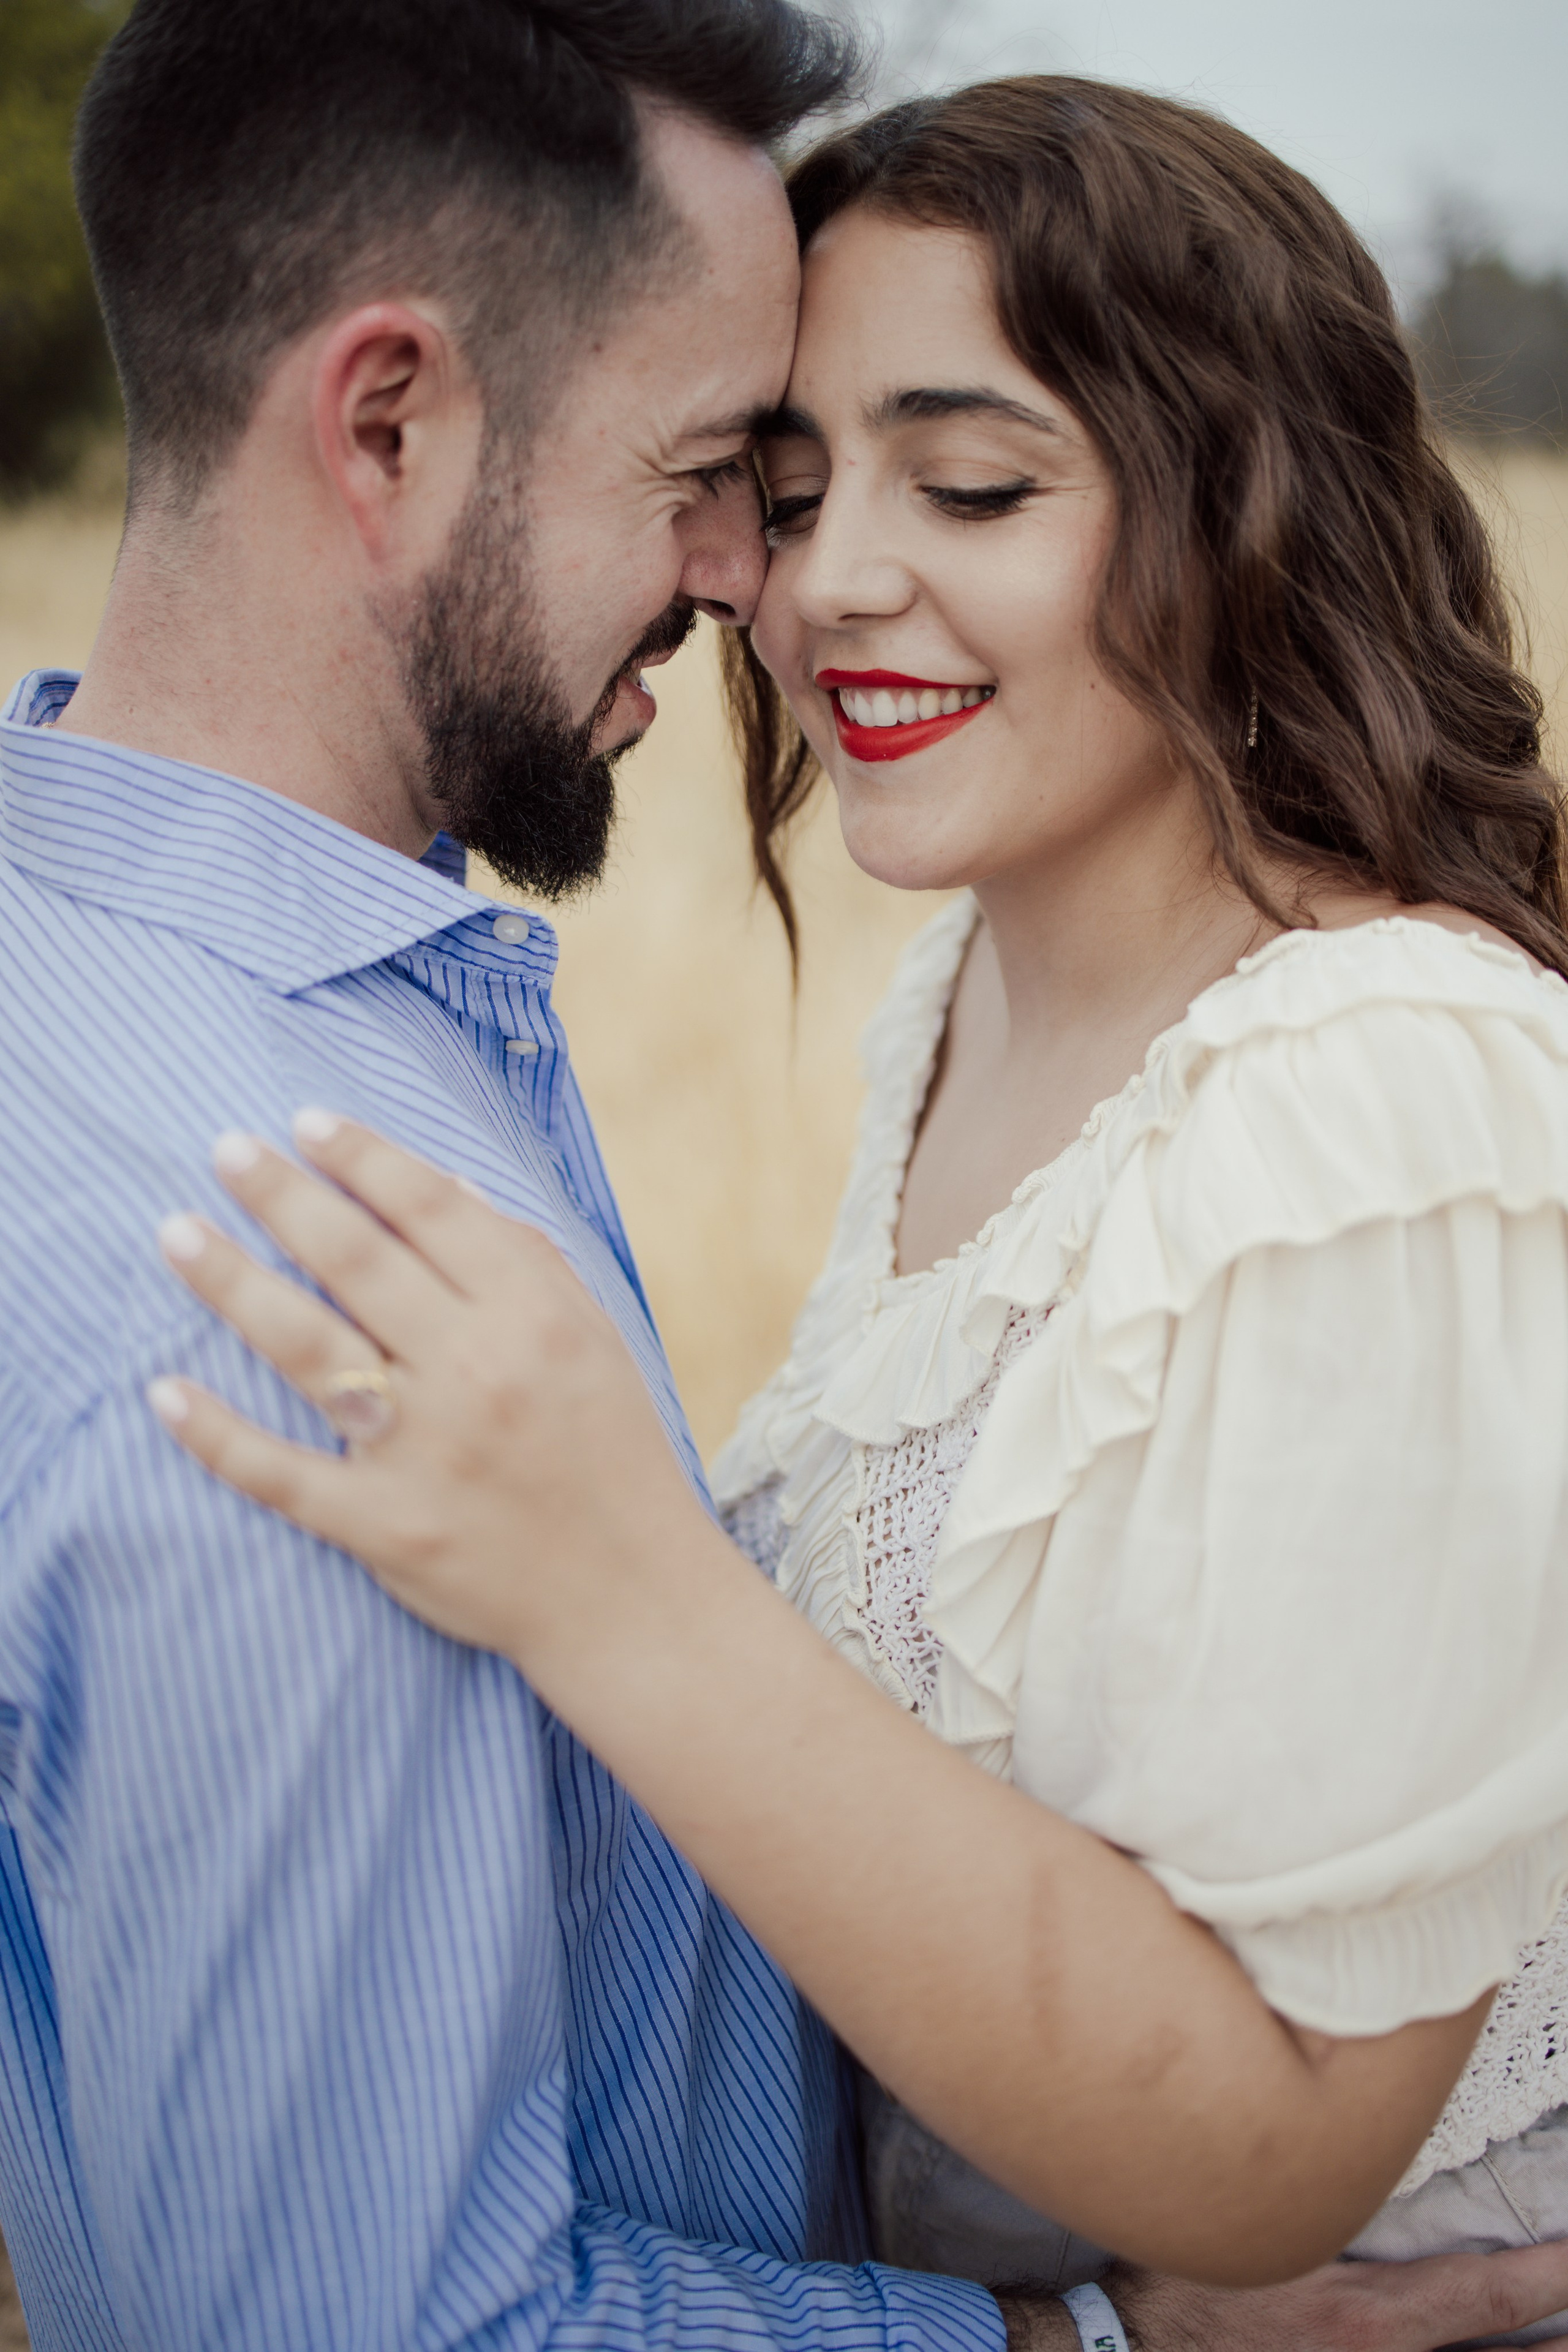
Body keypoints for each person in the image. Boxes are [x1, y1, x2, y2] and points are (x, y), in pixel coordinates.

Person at [146, 69, 1568, 2352]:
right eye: (784, 494)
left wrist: (616, 1583)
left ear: (1250, 507)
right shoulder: (955, 1003)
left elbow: (1277, 2144)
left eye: (976, 481)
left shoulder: (1389, 1092)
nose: (824, 587)